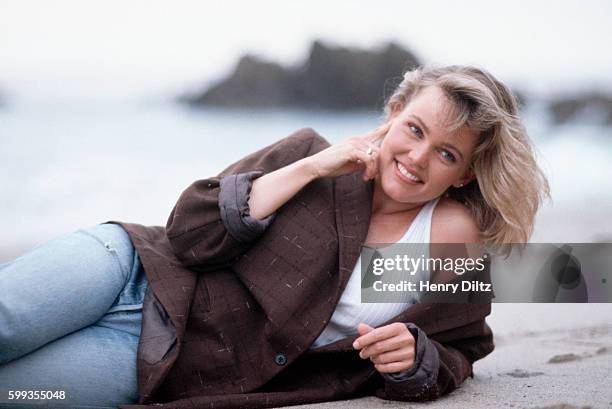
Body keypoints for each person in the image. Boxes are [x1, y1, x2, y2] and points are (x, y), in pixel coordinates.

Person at [0, 65, 549, 409]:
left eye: (447, 154)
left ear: (466, 175)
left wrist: (418, 357)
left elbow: (464, 343)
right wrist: (309, 169)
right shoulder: (311, 153)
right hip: (128, 266)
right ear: (394, 113)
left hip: (162, 359)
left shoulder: (447, 232)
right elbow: (188, 234)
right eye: (415, 130)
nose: (417, 158)